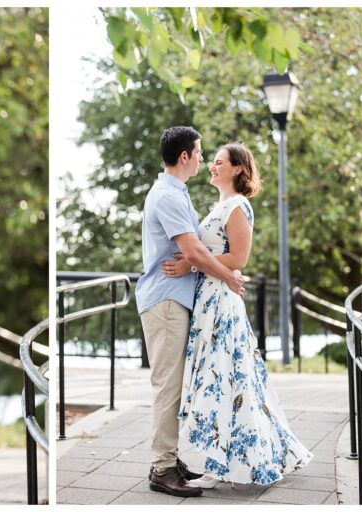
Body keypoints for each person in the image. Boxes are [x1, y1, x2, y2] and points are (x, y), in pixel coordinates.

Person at [164, 143, 313, 487]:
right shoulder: (219, 205)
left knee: (225, 379)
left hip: (221, 301)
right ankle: (225, 461)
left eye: (219, 163)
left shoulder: (237, 206)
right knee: (217, 379)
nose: (212, 167)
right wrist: (197, 263)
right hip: (208, 297)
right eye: (212, 162)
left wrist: (192, 262)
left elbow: (240, 259)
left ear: (238, 170)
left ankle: (222, 465)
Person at [135, 126, 247, 498]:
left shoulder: (176, 193)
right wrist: (229, 276)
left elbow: (194, 254)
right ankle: (162, 467)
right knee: (167, 386)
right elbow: (195, 252)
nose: (202, 158)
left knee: (174, 384)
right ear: (184, 156)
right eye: (199, 153)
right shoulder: (167, 195)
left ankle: (170, 458)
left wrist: (209, 268)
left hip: (175, 299)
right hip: (165, 300)